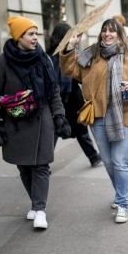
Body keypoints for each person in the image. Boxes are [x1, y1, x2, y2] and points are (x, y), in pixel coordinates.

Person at [60, 18, 128, 223]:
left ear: (120, 34)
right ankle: (120, 193)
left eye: (112, 31)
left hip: (126, 113)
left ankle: (122, 204)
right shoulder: (91, 55)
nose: (108, 34)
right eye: (104, 31)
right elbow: (69, 70)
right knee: (108, 161)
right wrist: (71, 47)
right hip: (98, 114)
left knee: (120, 160)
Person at [0, 16, 70, 229]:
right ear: (18, 36)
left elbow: (53, 92)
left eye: (36, 34)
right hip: (14, 123)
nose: (35, 38)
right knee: (24, 167)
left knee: (41, 166)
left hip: (42, 121)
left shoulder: (44, 59)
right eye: (30, 34)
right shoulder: (1, 62)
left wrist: (59, 116)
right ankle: (35, 203)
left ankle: (40, 210)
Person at [46, 23, 102, 167]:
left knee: (55, 130)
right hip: (72, 97)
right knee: (80, 129)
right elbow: (80, 76)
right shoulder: (71, 54)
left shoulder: (48, 56)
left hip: (55, 99)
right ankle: (93, 157)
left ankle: (43, 164)